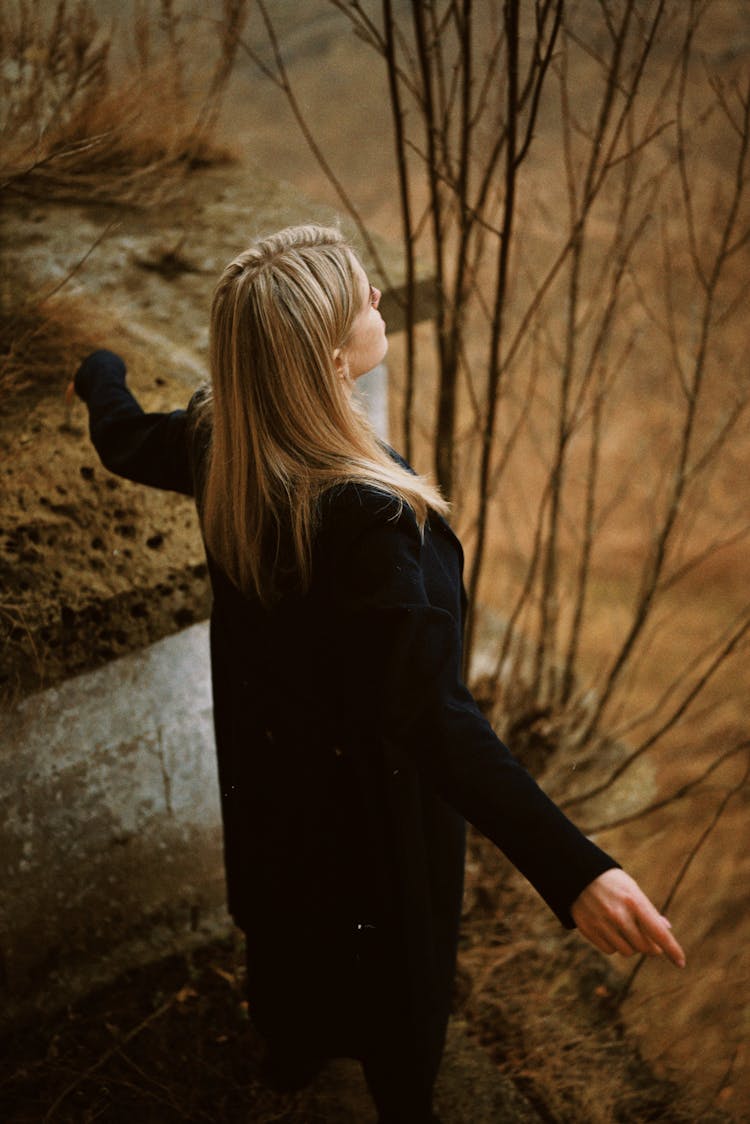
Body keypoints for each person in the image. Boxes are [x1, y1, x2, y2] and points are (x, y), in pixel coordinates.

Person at [72, 224, 685, 1124]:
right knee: (397, 974)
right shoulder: (371, 525)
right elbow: (435, 718)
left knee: (286, 939)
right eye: (365, 297)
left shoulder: (220, 441)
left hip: (269, 782)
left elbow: (123, 439)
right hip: (373, 804)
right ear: (328, 358)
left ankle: (286, 1063)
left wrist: (98, 371)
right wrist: (575, 870)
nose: (381, 302)